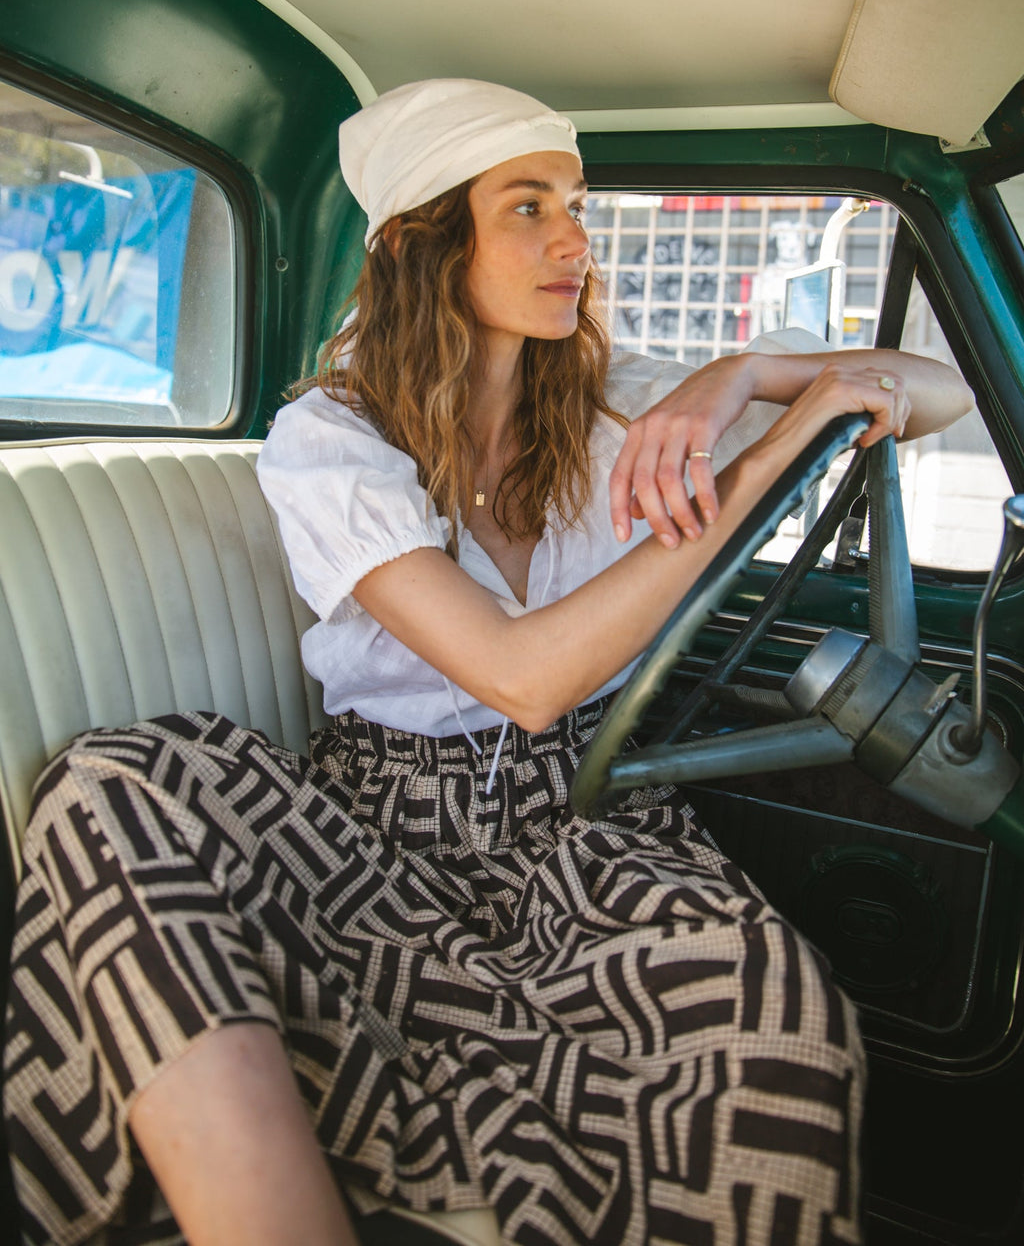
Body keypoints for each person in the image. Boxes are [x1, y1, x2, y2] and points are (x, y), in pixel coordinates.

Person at [4, 79, 973, 1246]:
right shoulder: (335, 439)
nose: (575, 239)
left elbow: (943, 391)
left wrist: (743, 378)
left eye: (575, 203)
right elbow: (521, 677)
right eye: (527, 207)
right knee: (112, 786)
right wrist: (758, 465)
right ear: (424, 242)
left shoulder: (622, 402)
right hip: (374, 821)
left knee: (779, 1021)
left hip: (588, 816)